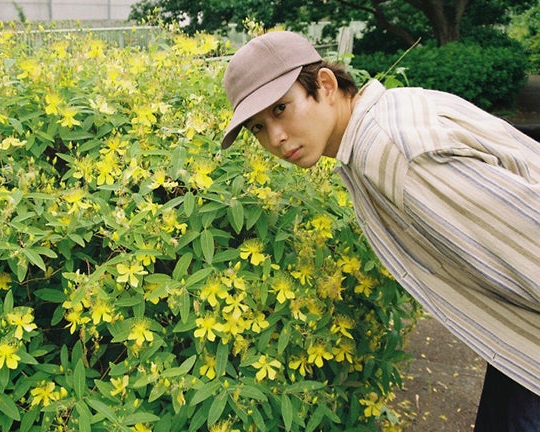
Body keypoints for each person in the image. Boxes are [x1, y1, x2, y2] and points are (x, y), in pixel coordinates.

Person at [221, 30, 540, 431]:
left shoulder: (390, 153)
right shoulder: (390, 113)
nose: (275, 137)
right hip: (521, 344)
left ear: (325, 84)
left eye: (281, 108)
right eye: (257, 128)